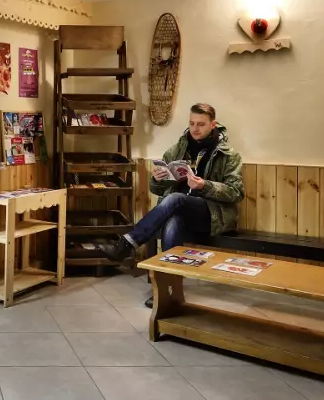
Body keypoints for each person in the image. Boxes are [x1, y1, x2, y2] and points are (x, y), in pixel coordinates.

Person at [98, 103, 244, 306]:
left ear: (213, 125)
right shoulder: (176, 150)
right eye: (192, 123)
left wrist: (205, 186)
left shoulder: (229, 155)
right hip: (179, 212)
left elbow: (236, 193)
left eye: (201, 124)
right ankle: (167, 291)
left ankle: (127, 243)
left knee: (176, 199)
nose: (195, 129)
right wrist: (157, 179)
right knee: (173, 221)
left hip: (211, 215)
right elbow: (157, 190)